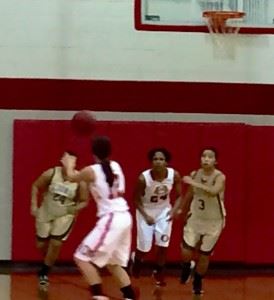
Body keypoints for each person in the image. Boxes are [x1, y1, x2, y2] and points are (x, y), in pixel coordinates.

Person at [61, 136, 138, 300]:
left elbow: (70, 177)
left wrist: (69, 163)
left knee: (81, 257)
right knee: (113, 263)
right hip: (125, 216)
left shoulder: (91, 170)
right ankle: (130, 296)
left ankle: (98, 296)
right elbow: (116, 188)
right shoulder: (116, 166)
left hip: (112, 218)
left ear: (93, 152)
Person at [31, 151, 89, 288]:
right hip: (46, 211)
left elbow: (84, 200)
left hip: (65, 215)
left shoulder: (79, 180)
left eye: (72, 159)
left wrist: (74, 209)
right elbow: (35, 186)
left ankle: (44, 272)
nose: (68, 161)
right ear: (61, 160)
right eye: (66, 158)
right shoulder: (51, 173)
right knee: (40, 244)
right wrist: (33, 204)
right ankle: (49, 259)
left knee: (56, 243)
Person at [131, 147, 182, 286]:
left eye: (161, 159)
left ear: (166, 162)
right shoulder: (143, 178)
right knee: (144, 247)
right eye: (155, 159)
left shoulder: (174, 175)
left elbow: (179, 197)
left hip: (163, 211)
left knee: (163, 244)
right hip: (145, 210)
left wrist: (174, 211)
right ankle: (136, 263)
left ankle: (159, 273)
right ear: (151, 162)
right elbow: (136, 200)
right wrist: (146, 216)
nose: (158, 162)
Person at [180, 147, 226, 295]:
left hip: (214, 221)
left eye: (210, 157)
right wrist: (181, 209)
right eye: (203, 156)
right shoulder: (195, 174)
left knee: (204, 254)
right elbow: (189, 195)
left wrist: (193, 183)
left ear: (215, 161)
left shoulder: (220, 177)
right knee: (186, 250)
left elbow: (213, 191)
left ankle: (198, 280)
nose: (206, 159)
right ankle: (187, 266)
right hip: (196, 218)